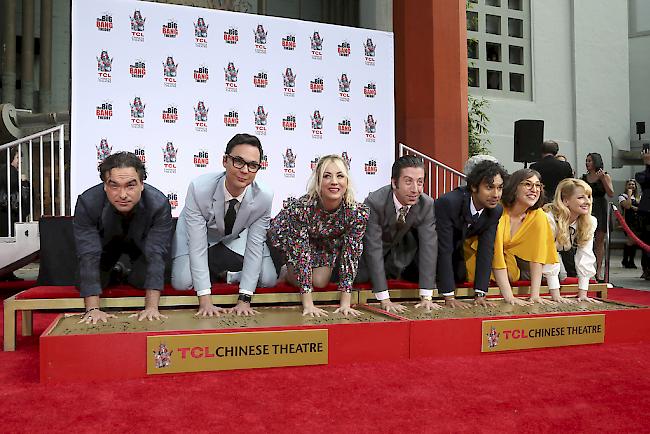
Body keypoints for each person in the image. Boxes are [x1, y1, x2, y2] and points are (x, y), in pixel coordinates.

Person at [171, 133, 277, 316]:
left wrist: (244, 300)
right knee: (182, 282)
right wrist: (205, 301)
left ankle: (228, 276)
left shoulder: (264, 196)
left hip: (237, 232)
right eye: (238, 161)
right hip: (198, 230)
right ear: (225, 160)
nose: (245, 170)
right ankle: (209, 277)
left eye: (252, 165)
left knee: (268, 280)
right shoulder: (199, 188)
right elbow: (197, 247)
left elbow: (254, 246)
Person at [73, 152, 173, 324]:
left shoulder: (158, 204)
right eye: (114, 186)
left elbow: (156, 253)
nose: (123, 194)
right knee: (84, 281)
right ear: (104, 185)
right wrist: (93, 309)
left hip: (141, 248)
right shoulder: (88, 203)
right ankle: (116, 270)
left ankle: (126, 273)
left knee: (143, 280)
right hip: (104, 248)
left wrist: (151, 308)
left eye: (130, 186)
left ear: (142, 184)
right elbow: (88, 253)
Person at [267, 155, 369, 317]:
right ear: (318, 182)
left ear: (347, 181)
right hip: (287, 239)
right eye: (327, 176)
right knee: (304, 277)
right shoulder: (302, 209)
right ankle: (286, 270)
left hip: (323, 242)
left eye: (340, 176)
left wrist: (345, 303)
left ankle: (292, 273)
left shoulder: (357, 212)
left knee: (320, 282)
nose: (334, 181)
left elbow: (351, 255)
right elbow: (301, 253)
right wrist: (308, 304)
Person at [356, 155, 439, 313]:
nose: (415, 189)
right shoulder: (374, 202)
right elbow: (373, 249)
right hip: (367, 257)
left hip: (397, 257)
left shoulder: (426, 204)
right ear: (394, 182)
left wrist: (427, 297)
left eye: (420, 182)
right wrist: (385, 299)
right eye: (408, 181)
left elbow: (429, 248)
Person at [435, 159, 508, 308]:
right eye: (489, 187)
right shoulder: (448, 202)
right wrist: (449, 297)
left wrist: (480, 294)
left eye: (499, 188)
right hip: (424, 252)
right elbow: (443, 248)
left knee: (460, 275)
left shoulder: (496, 210)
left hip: (456, 251)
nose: (496, 194)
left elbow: (486, 250)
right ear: (474, 187)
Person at [492, 168, 559, 306]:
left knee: (514, 274)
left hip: (509, 264)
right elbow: (495, 255)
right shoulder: (498, 210)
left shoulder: (538, 215)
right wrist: (509, 297)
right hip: (481, 258)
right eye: (528, 184)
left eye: (538, 185)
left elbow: (538, 255)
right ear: (514, 187)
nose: (534, 189)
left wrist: (535, 295)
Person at [542, 178, 602, 303]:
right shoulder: (549, 218)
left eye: (589, 197)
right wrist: (556, 295)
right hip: (528, 258)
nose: (587, 202)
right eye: (581, 197)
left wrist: (583, 294)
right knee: (553, 275)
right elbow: (548, 254)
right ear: (566, 201)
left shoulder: (590, 221)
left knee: (560, 276)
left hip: (551, 257)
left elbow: (585, 255)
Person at [581, 152, 614, 280]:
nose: (587, 163)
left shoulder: (604, 176)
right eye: (586, 160)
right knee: (586, 239)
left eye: (590, 161)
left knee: (599, 241)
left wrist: (603, 179)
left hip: (600, 207)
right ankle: (586, 270)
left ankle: (598, 271)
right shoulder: (584, 178)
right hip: (587, 207)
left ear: (596, 162)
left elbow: (611, 193)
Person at [618, 179, 641, 269]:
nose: (631, 186)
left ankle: (629, 260)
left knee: (634, 241)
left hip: (638, 221)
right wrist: (629, 195)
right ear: (626, 186)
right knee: (630, 240)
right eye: (629, 184)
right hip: (628, 221)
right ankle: (627, 260)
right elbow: (627, 206)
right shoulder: (622, 196)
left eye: (633, 184)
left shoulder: (639, 197)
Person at [635, 150, 650, 279]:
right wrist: (647, 164)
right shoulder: (640, 174)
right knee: (646, 241)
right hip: (646, 212)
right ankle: (647, 268)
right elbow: (646, 180)